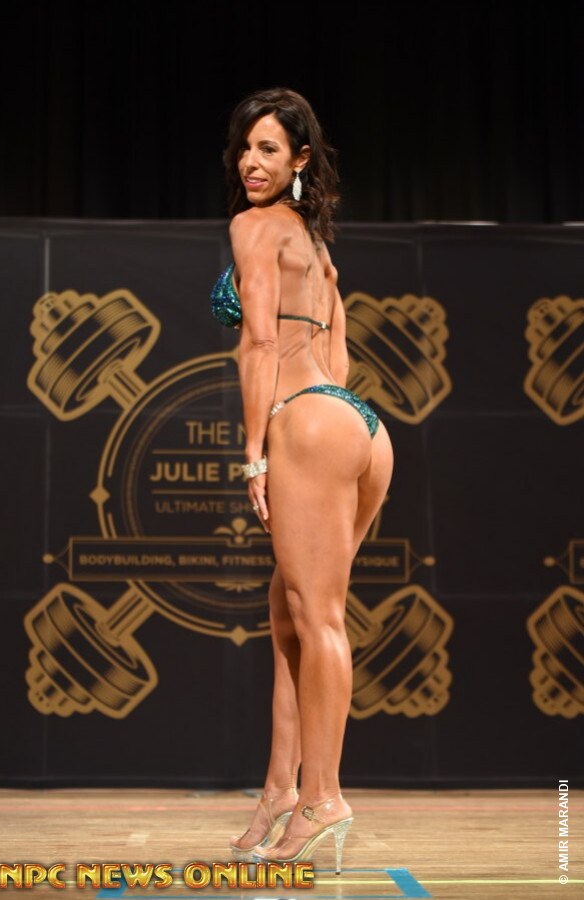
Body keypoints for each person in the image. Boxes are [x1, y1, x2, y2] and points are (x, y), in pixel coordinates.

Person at [210, 87, 394, 873]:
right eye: (245, 148)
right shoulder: (317, 246)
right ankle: (281, 788)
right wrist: (328, 417)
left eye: (269, 149)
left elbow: (257, 343)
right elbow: (341, 350)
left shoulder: (253, 228)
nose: (251, 163)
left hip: (307, 421)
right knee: (291, 616)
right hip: (360, 424)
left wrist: (257, 449)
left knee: (317, 619)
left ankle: (324, 797)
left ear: (299, 159)